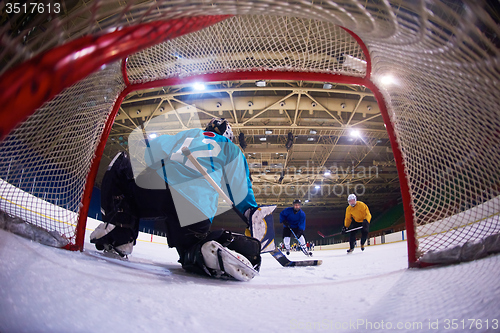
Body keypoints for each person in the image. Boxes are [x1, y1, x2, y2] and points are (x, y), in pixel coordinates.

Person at [91, 118, 275, 281]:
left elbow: (152, 152)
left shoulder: (190, 134)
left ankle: (121, 235)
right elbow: (240, 189)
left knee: (121, 166)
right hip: (197, 205)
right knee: (191, 250)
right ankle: (203, 251)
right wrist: (251, 213)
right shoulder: (232, 150)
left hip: (161, 188)